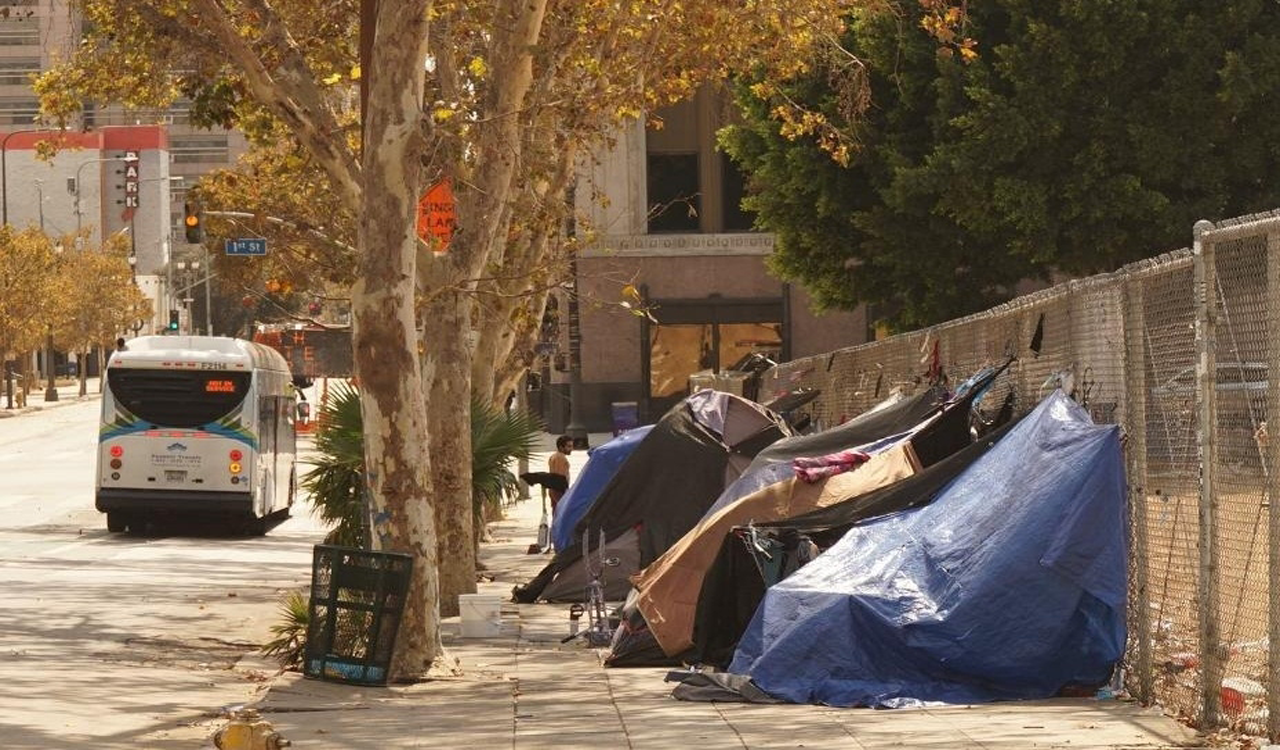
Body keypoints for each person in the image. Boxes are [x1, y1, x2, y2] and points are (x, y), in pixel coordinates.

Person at [548, 434, 573, 512]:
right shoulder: (560, 458)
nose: (571, 449)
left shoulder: (554, 456)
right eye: (569, 446)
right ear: (561, 447)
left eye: (571, 446)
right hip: (558, 491)